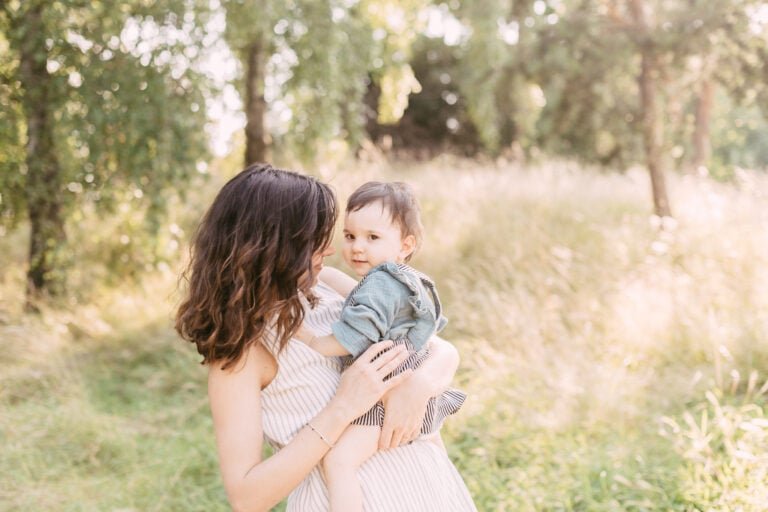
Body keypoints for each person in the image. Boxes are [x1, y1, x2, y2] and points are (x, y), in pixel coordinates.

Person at [175, 163, 476, 512]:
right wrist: (343, 407)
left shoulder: (330, 286)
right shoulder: (242, 355)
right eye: (314, 241)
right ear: (274, 248)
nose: (330, 250)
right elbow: (246, 498)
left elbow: (439, 349)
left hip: (431, 489)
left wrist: (419, 384)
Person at [293, 181, 466, 512]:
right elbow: (352, 291)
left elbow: (352, 335)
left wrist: (313, 340)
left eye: (372, 238)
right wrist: (320, 273)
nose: (358, 247)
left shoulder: (381, 286)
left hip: (387, 390)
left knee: (339, 462)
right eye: (350, 236)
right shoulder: (397, 278)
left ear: (405, 244)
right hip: (410, 383)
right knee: (432, 457)